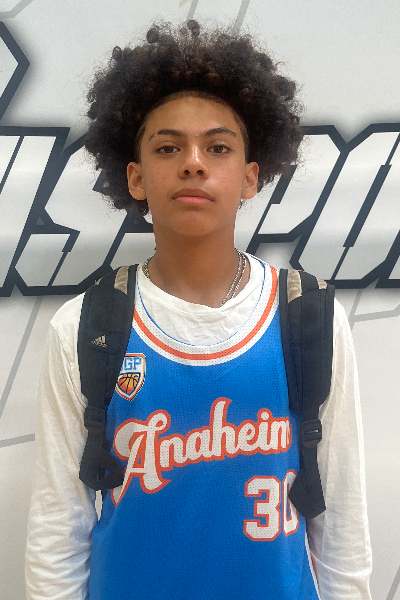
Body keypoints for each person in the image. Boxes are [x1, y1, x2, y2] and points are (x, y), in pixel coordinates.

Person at [25, 21, 372, 600]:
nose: (193, 163)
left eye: (218, 147)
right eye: (168, 147)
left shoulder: (308, 316)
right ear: (136, 177)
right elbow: (57, 531)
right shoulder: (86, 327)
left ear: (250, 177)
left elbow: (341, 527)